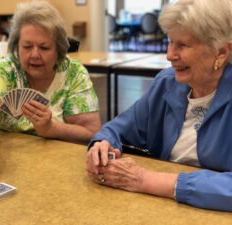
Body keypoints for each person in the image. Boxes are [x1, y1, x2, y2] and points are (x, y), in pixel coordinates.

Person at [87, 0, 232, 212]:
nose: (169, 55)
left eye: (182, 45)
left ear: (221, 52)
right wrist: (102, 145)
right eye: (170, 42)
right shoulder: (167, 83)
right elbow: (117, 127)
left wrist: (146, 180)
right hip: (159, 208)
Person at [0, 0, 101, 164]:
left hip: (58, 164)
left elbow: (92, 133)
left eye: (44, 48)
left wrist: (52, 129)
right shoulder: (6, 69)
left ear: (59, 50)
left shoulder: (74, 74)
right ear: (16, 47)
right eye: (27, 46)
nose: (35, 54)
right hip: (6, 161)